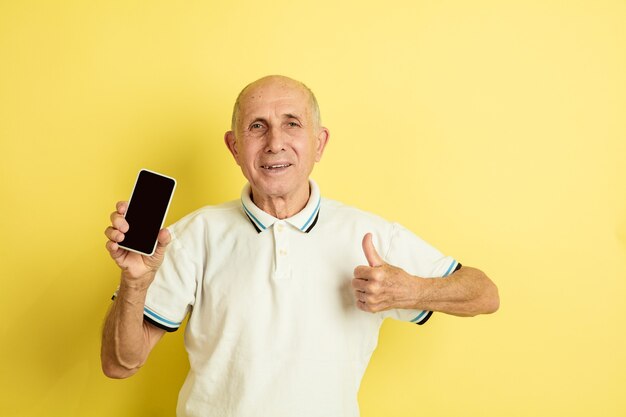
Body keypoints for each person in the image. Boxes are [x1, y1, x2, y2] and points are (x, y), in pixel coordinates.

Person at [102, 75, 499, 417]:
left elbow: (484, 293)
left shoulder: (369, 235)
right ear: (235, 147)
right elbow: (119, 364)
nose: (275, 142)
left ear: (319, 142)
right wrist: (134, 283)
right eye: (257, 126)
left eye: (292, 124)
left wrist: (409, 289)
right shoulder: (192, 236)